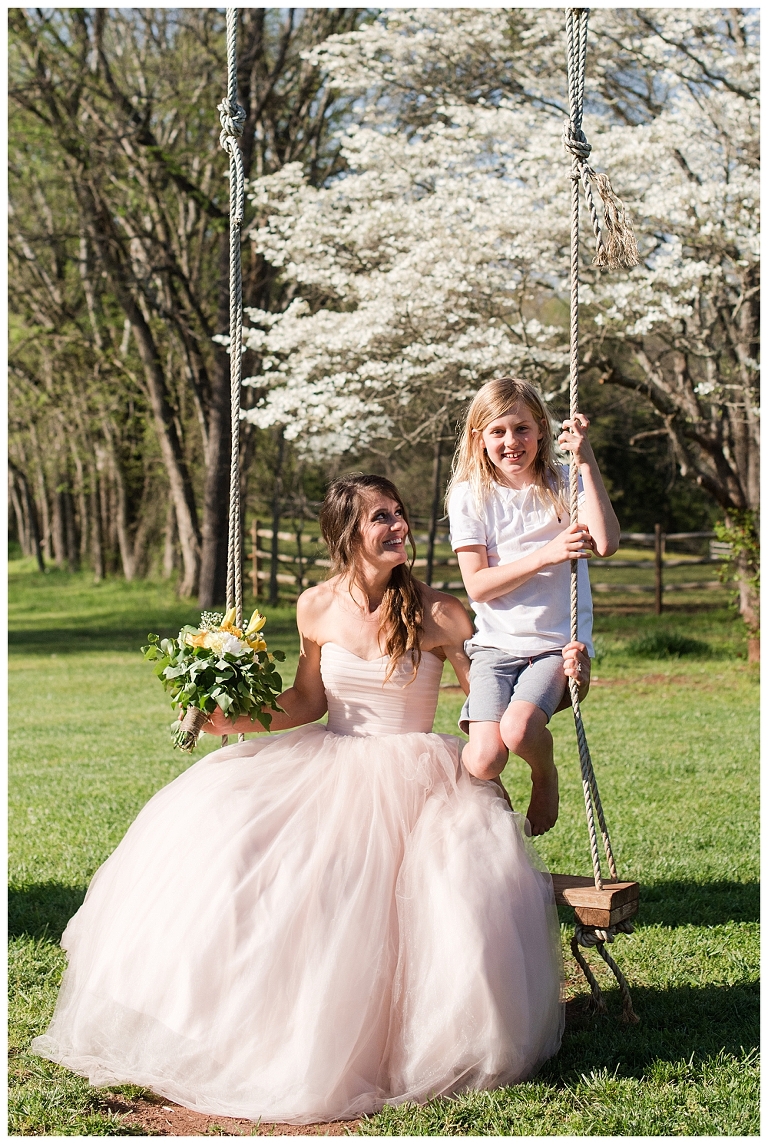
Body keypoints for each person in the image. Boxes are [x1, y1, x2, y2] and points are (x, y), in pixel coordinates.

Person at [32, 473, 579, 1125]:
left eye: (401, 514)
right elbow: (308, 700)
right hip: (329, 754)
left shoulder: (441, 612)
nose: (399, 525)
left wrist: (557, 684)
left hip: (416, 766)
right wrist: (234, 722)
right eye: (382, 517)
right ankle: (250, 1028)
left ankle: (407, 1040)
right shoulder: (314, 607)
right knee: (237, 846)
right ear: (347, 533)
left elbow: (484, 693)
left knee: (438, 889)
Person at [448, 376, 620, 837]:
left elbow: (605, 542)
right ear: (478, 438)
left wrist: (585, 463)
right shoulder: (469, 496)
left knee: (520, 730)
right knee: (483, 758)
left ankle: (545, 774)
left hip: (554, 647)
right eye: (498, 431)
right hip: (495, 648)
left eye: (522, 428)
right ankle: (492, 809)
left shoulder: (562, 483)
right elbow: (479, 586)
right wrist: (547, 553)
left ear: (541, 430)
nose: (512, 442)